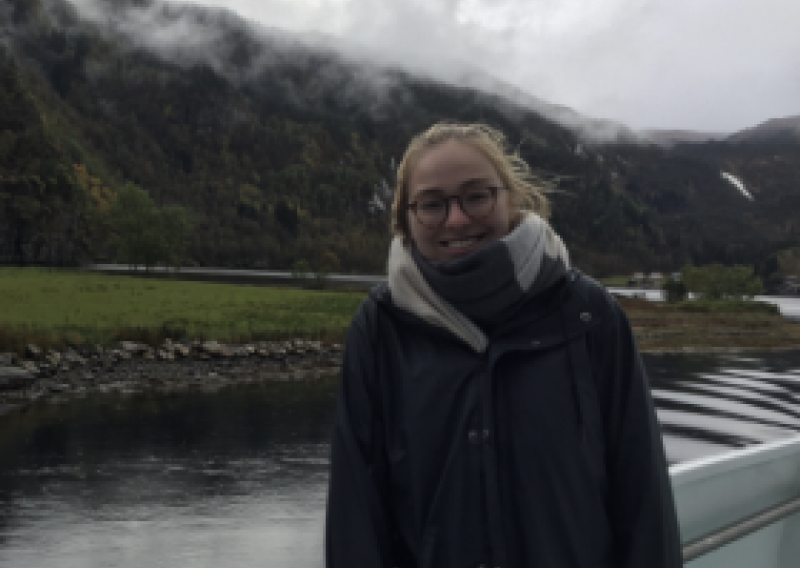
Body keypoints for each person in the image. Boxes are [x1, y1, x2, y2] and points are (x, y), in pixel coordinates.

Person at [325, 123, 682, 568]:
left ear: (510, 199)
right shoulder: (382, 327)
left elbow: (642, 493)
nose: (456, 219)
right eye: (432, 204)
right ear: (406, 220)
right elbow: (356, 511)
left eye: (477, 196)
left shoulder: (587, 312)